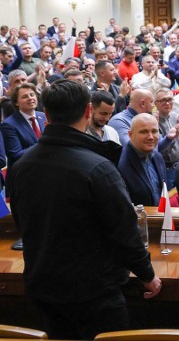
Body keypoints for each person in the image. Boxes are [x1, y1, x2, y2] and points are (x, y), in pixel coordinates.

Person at [10, 79, 160, 339]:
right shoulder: (99, 168)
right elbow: (124, 230)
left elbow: (22, 222)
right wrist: (147, 274)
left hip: (43, 287)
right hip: (94, 294)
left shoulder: (21, 165)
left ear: (46, 114)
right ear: (88, 112)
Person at [117, 113, 167, 207]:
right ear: (130, 134)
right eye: (144, 132)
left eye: (154, 131)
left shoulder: (158, 157)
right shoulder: (119, 163)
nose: (151, 137)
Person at [1, 83, 47, 170]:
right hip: (24, 173)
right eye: (25, 97)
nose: (30, 98)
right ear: (16, 102)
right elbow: (15, 155)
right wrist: (44, 145)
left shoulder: (43, 116)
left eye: (32, 95)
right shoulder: (8, 125)